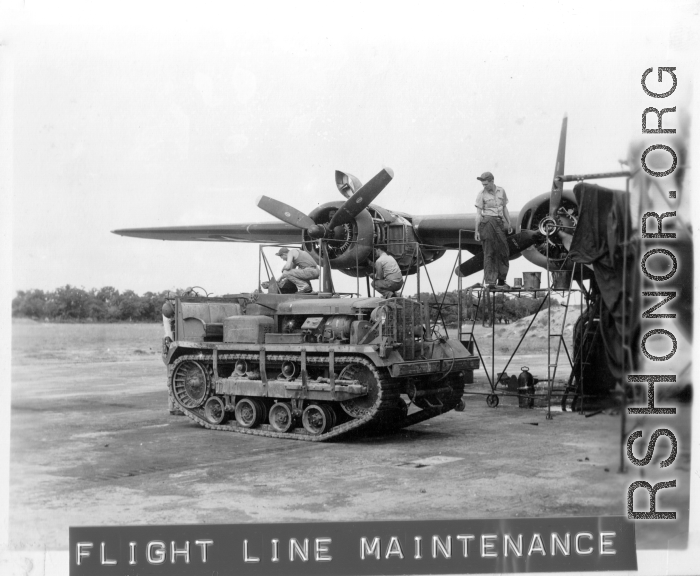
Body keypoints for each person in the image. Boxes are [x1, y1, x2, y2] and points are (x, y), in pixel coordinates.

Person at [474, 171, 513, 290]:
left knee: (504, 251)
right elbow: (478, 214)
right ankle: (490, 282)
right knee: (489, 252)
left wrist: (509, 222)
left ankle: (501, 280)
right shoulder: (481, 194)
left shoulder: (501, 191)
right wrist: (477, 230)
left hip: (499, 222)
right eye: (483, 184)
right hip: (487, 222)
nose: (484, 186)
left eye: (486, 184)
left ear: (492, 181)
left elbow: (504, 207)